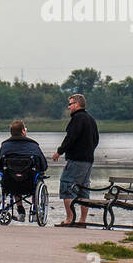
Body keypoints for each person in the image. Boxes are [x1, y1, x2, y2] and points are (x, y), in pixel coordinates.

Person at [52, 93, 99, 227]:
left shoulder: (77, 119)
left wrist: (59, 152)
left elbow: (70, 138)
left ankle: (69, 219)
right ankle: (82, 220)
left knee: (67, 185)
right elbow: (96, 140)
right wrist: (88, 151)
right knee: (84, 188)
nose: (68, 107)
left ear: (77, 104)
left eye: (70, 104)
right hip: (88, 160)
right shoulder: (90, 119)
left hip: (76, 160)